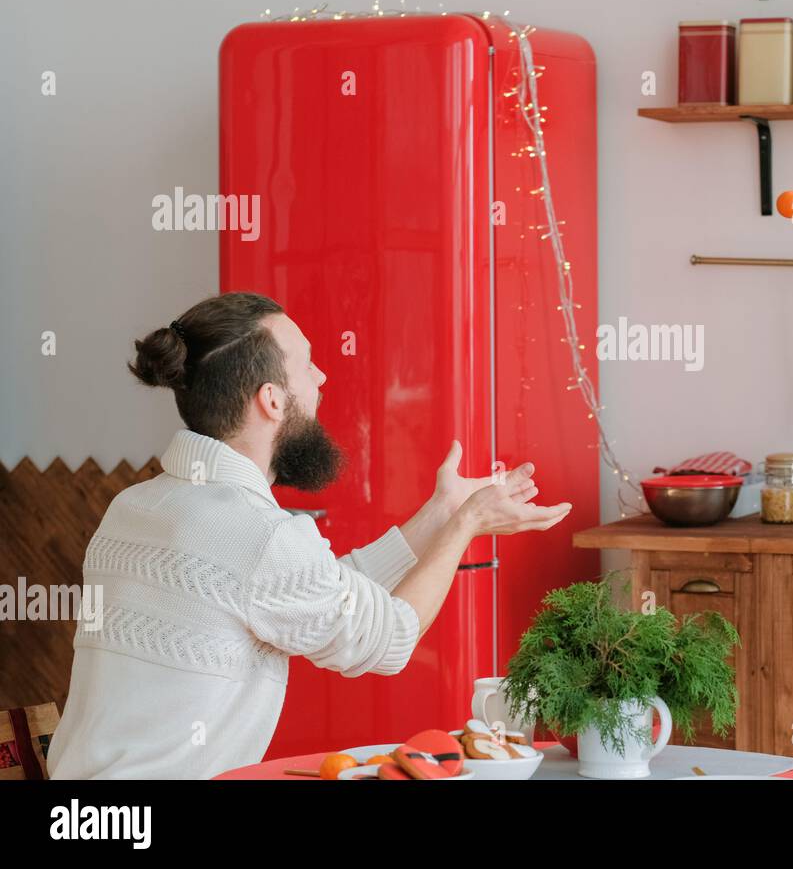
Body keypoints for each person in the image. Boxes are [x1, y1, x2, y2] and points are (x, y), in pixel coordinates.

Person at [46, 292, 571, 778]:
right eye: (307, 365)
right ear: (271, 400)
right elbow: (387, 641)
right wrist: (467, 526)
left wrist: (441, 512)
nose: (322, 378)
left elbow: (322, 588)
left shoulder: (135, 506)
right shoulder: (259, 535)